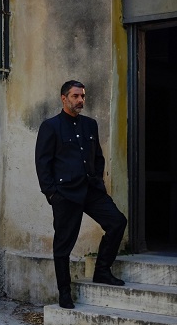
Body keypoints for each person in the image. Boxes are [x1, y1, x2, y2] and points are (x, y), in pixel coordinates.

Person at [34, 80, 127, 309]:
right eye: (75, 96)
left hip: (91, 190)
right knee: (63, 245)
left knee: (117, 222)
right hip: (65, 194)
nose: (80, 100)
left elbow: (98, 157)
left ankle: (102, 271)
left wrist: (98, 181)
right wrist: (52, 194)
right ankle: (64, 293)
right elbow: (43, 163)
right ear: (64, 98)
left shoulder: (90, 125)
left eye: (82, 96)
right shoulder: (51, 126)